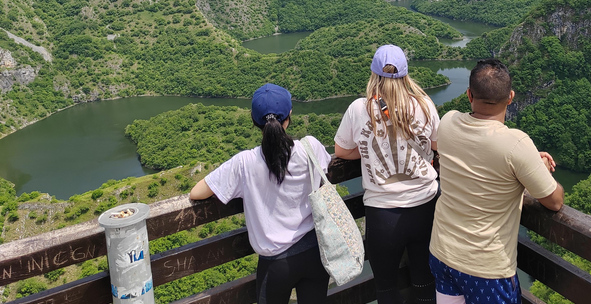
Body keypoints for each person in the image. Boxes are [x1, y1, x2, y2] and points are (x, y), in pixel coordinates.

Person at [429, 58, 564, 304]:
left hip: (442, 254)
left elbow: (476, 153)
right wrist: (537, 168)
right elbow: (555, 201)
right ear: (510, 97)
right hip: (486, 269)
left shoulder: (447, 121)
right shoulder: (516, 144)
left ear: (469, 94)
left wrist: (528, 162)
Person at [190, 83, 331, 304]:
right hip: (314, 252)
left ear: (255, 122)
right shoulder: (310, 147)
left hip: (275, 264)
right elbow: (324, 169)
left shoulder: (244, 162)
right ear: (289, 115)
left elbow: (197, 192)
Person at [334, 44, 440, 304]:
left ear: (373, 75)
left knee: (386, 289)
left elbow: (342, 150)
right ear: (405, 74)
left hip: (382, 215)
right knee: (425, 282)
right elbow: (437, 146)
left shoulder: (359, 109)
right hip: (426, 206)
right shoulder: (424, 104)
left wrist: (369, 150)